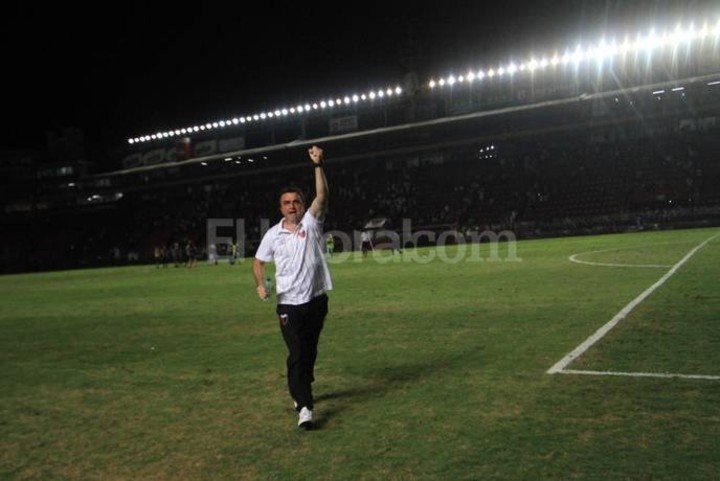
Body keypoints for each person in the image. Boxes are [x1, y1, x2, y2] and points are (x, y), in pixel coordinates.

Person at [253, 145, 332, 430]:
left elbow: (321, 196)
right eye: (287, 202)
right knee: (298, 353)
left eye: (296, 201)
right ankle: (305, 408)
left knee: (308, 353)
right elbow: (258, 262)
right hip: (287, 304)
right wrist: (261, 285)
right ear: (280, 207)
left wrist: (318, 165)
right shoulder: (272, 235)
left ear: (302, 204)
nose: (292, 206)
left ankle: (300, 386)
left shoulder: (311, 223)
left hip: (316, 301)